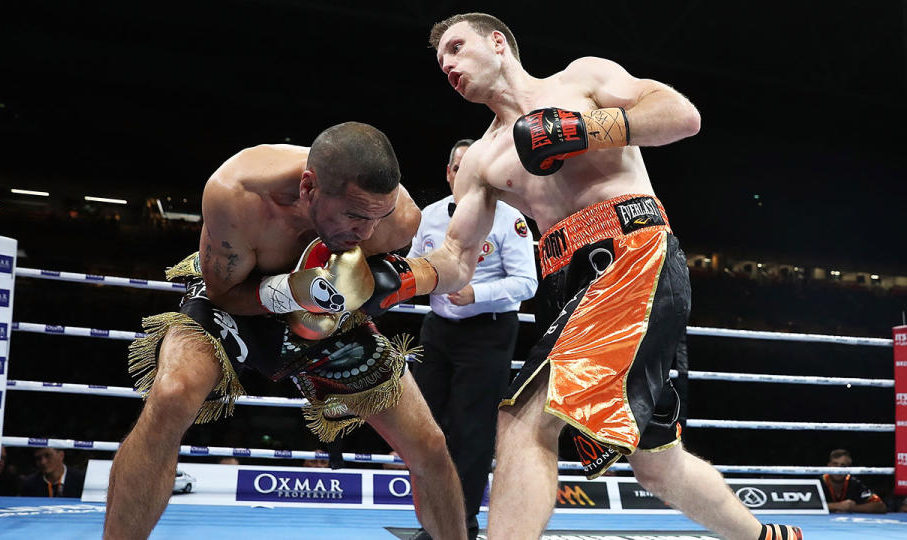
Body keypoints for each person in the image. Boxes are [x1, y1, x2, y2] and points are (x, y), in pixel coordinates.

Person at [360, 13, 802, 540]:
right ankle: (769, 538)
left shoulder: (582, 79)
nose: (449, 66)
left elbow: (682, 116)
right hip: (563, 284)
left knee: (526, 417)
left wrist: (583, 131)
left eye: (456, 48)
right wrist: (403, 279)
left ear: (498, 43)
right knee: (656, 462)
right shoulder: (481, 158)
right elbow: (457, 255)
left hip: (632, 255)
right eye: (441, 63)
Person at [104, 122, 467, 540]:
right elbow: (224, 292)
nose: (367, 232)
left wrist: (399, 279)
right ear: (309, 187)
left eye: (375, 218)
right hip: (240, 298)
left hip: (330, 317)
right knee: (170, 396)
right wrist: (289, 292)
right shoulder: (236, 194)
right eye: (353, 215)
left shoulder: (397, 218)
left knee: (431, 445)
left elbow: (453, 267)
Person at [407, 138, 537, 540]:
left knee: (472, 432)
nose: (469, 177)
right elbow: (415, 266)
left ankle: (459, 526)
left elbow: (527, 282)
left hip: (488, 334)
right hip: (437, 331)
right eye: (461, 169)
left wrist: (476, 293)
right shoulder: (429, 216)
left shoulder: (509, 219)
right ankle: (432, 522)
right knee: (423, 427)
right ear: (450, 173)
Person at [820, 448, 886, 513]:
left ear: (849, 469)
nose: (838, 469)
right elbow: (810, 505)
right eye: (835, 464)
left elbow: (881, 506)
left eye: (843, 466)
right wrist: (837, 506)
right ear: (828, 465)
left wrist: (853, 507)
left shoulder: (854, 483)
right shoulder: (818, 482)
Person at [21, 447, 85, 498]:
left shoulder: (82, 480)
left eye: (48, 456)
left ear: (61, 455)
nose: (43, 462)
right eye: (38, 458)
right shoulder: (29, 484)